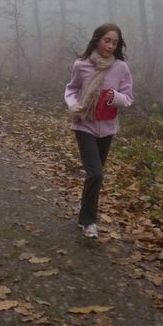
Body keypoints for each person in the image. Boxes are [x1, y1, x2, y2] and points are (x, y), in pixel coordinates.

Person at [64, 23, 133, 238]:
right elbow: (71, 89)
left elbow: (128, 97)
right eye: (107, 41)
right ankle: (89, 221)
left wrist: (116, 97)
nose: (111, 46)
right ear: (97, 41)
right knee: (96, 173)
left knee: (95, 175)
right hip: (84, 123)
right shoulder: (81, 65)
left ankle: (84, 215)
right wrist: (72, 104)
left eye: (115, 42)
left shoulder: (121, 67)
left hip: (108, 127)